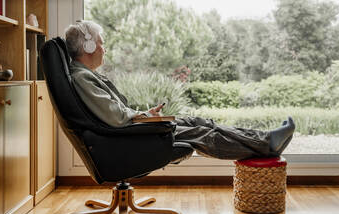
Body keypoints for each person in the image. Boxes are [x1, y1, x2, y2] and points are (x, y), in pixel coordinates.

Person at [65, 21, 295, 160]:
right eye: (101, 43)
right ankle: (267, 144)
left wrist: (145, 115)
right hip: (128, 137)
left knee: (201, 123)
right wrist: (141, 117)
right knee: (203, 134)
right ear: (88, 46)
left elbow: (111, 112)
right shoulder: (82, 77)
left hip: (131, 130)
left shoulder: (86, 76)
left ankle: (266, 140)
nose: (104, 50)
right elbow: (114, 118)